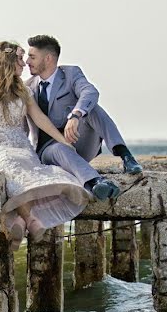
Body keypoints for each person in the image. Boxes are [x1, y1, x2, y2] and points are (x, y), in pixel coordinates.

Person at [0, 41, 89, 249]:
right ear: (8, 62)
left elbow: (40, 119)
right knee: (10, 164)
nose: (24, 65)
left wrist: (63, 141)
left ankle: (22, 222)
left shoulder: (22, 90)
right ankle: (31, 220)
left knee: (29, 169)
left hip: (21, 145)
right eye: (20, 60)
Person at [25, 34, 143, 200]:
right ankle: (95, 183)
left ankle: (126, 156)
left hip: (79, 143)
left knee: (93, 108)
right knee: (60, 148)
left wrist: (76, 115)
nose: (27, 62)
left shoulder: (71, 74)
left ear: (48, 58)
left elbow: (90, 91)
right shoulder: (27, 87)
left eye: (32, 57)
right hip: (49, 152)